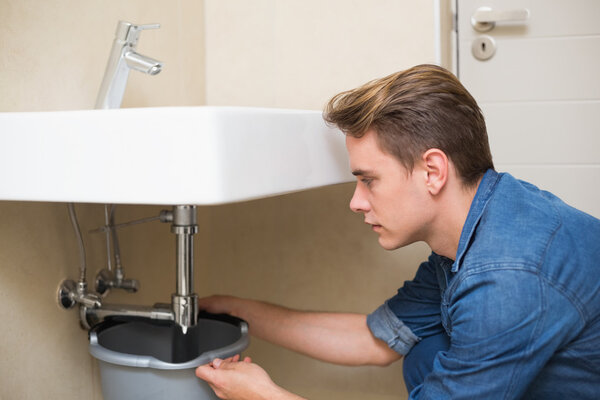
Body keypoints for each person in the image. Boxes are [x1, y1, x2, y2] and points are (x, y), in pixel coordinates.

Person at [195, 64, 600, 399]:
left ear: (433, 171)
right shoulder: (479, 226)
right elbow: (374, 341)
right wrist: (236, 311)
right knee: (427, 351)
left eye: (368, 180)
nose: (356, 202)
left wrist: (266, 397)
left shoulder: (505, 278)